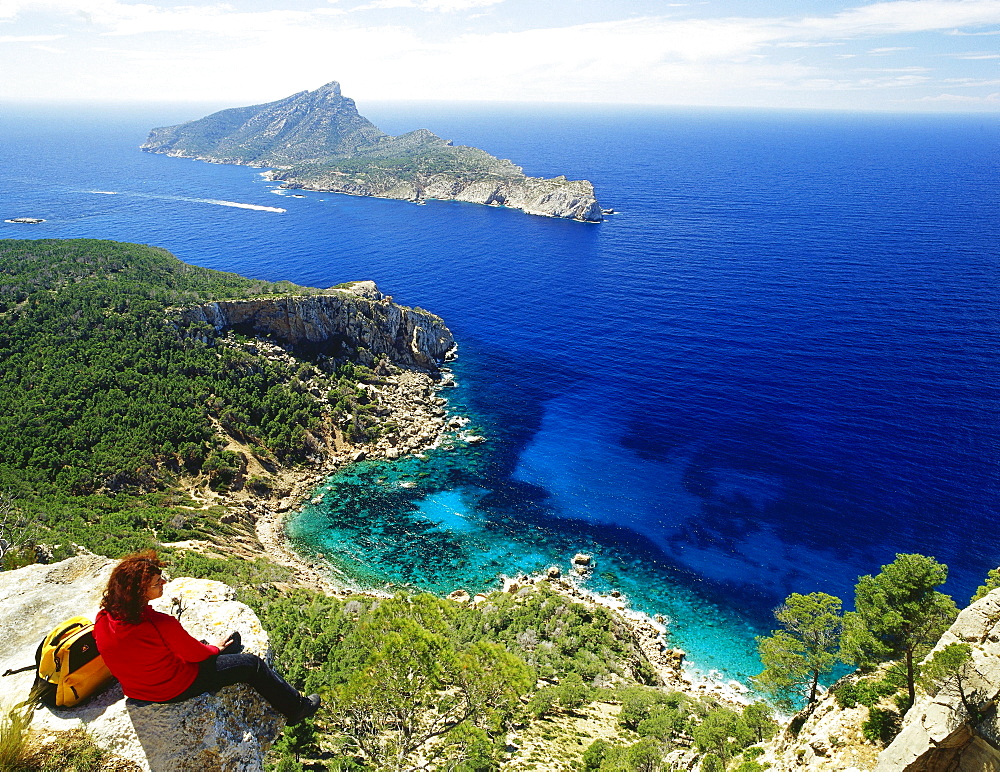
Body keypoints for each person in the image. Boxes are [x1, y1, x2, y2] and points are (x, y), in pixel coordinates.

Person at [93, 550, 320, 725]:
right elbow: (196, 655)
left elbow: (141, 650)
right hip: (173, 688)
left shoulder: (104, 617)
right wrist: (214, 649)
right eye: (156, 582)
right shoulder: (160, 624)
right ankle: (297, 707)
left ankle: (223, 650)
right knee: (251, 664)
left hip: (137, 690)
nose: (163, 583)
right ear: (139, 592)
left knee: (224, 646)